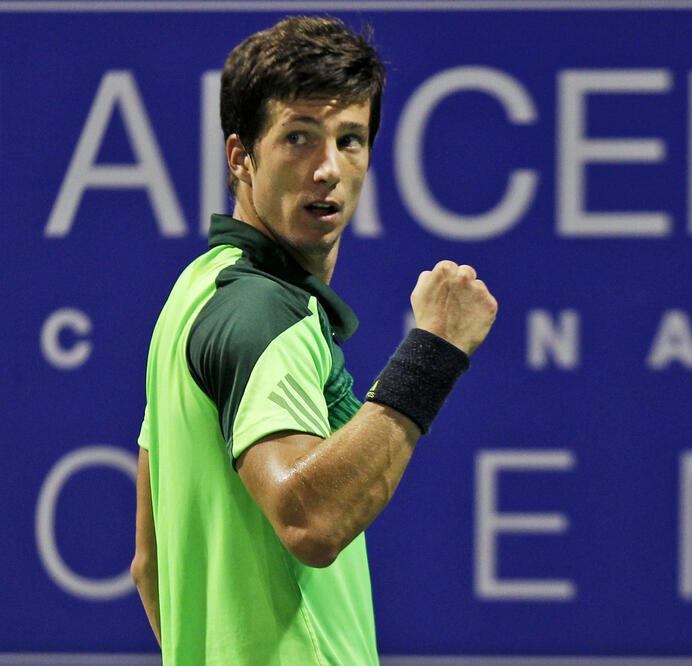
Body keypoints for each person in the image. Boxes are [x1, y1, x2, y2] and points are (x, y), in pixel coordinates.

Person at [130, 16, 497, 665]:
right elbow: (310, 519)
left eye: (350, 140)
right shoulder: (266, 316)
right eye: (298, 138)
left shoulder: (194, 293)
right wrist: (434, 350)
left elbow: (149, 564)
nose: (328, 168)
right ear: (240, 156)